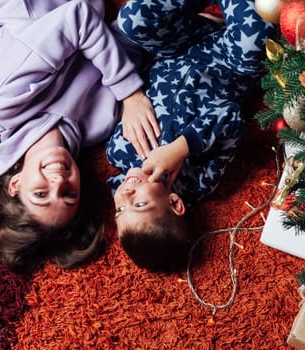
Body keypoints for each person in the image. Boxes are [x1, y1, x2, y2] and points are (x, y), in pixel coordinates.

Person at [0, 0, 161, 281]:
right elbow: (128, 37)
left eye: (40, 194)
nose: (58, 181)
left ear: (15, 184)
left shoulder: (6, 101)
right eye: (69, 194)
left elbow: (79, 17)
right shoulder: (99, 126)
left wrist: (130, 94)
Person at [106, 0, 276, 272]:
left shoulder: (119, 152)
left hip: (177, 49)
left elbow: (133, 94)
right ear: (174, 203)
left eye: (118, 209)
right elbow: (231, 117)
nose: (125, 194)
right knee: (256, 43)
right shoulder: (200, 181)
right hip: (229, 63)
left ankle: (209, 15)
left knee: (132, 19)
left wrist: (130, 101)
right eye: (138, 203)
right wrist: (181, 147)